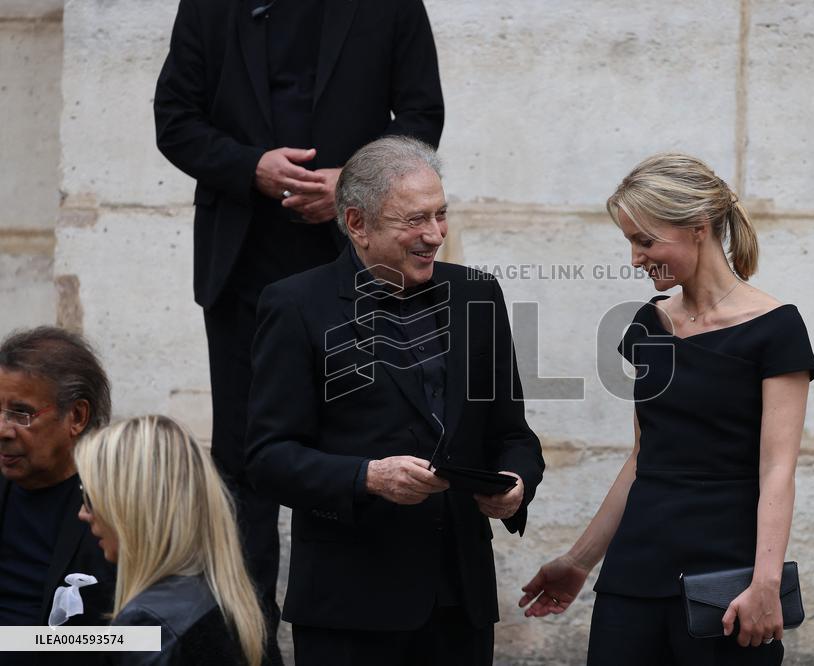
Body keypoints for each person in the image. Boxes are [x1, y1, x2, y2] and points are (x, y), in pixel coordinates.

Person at [153, 1, 444, 658]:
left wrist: (354, 184)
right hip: (242, 267)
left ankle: (350, 638)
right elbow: (175, 120)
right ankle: (251, 646)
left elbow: (421, 118)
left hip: (356, 264)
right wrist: (250, 167)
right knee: (244, 463)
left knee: (352, 447)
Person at [245, 136, 545, 666]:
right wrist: (368, 476)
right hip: (350, 610)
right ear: (357, 223)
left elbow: (512, 433)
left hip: (460, 605)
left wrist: (517, 483)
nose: (434, 235)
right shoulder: (295, 306)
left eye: (441, 214)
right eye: (414, 220)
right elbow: (268, 459)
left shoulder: (479, 294)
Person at [519, 153, 814, 665]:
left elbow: (777, 468)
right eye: (630, 242)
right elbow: (643, 458)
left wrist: (765, 583)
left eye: (645, 241)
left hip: (724, 585)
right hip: (633, 574)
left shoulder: (777, 328)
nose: (636, 258)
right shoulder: (647, 324)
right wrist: (578, 562)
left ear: (698, 228)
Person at [75, 414, 267, 666]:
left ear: (133, 506)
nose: (82, 513)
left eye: (90, 495)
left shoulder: (148, 623)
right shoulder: (220, 595)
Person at [0, 327, 115, 666]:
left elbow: (141, 637)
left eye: (21, 413)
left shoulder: (117, 508)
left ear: (77, 417)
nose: (3, 430)